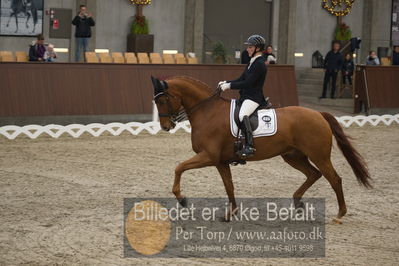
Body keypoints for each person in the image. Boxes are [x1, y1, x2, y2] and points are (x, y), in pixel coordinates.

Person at [218, 35, 268, 159]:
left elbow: (248, 83)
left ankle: (250, 146)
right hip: (246, 96)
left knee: (242, 115)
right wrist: (226, 82)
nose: (247, 49)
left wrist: (229, 86)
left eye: (250, 47)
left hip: (253, 98)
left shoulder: (260, 64)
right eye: (248, 47)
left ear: (258, 48)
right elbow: (241, 79)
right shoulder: (252, 62)